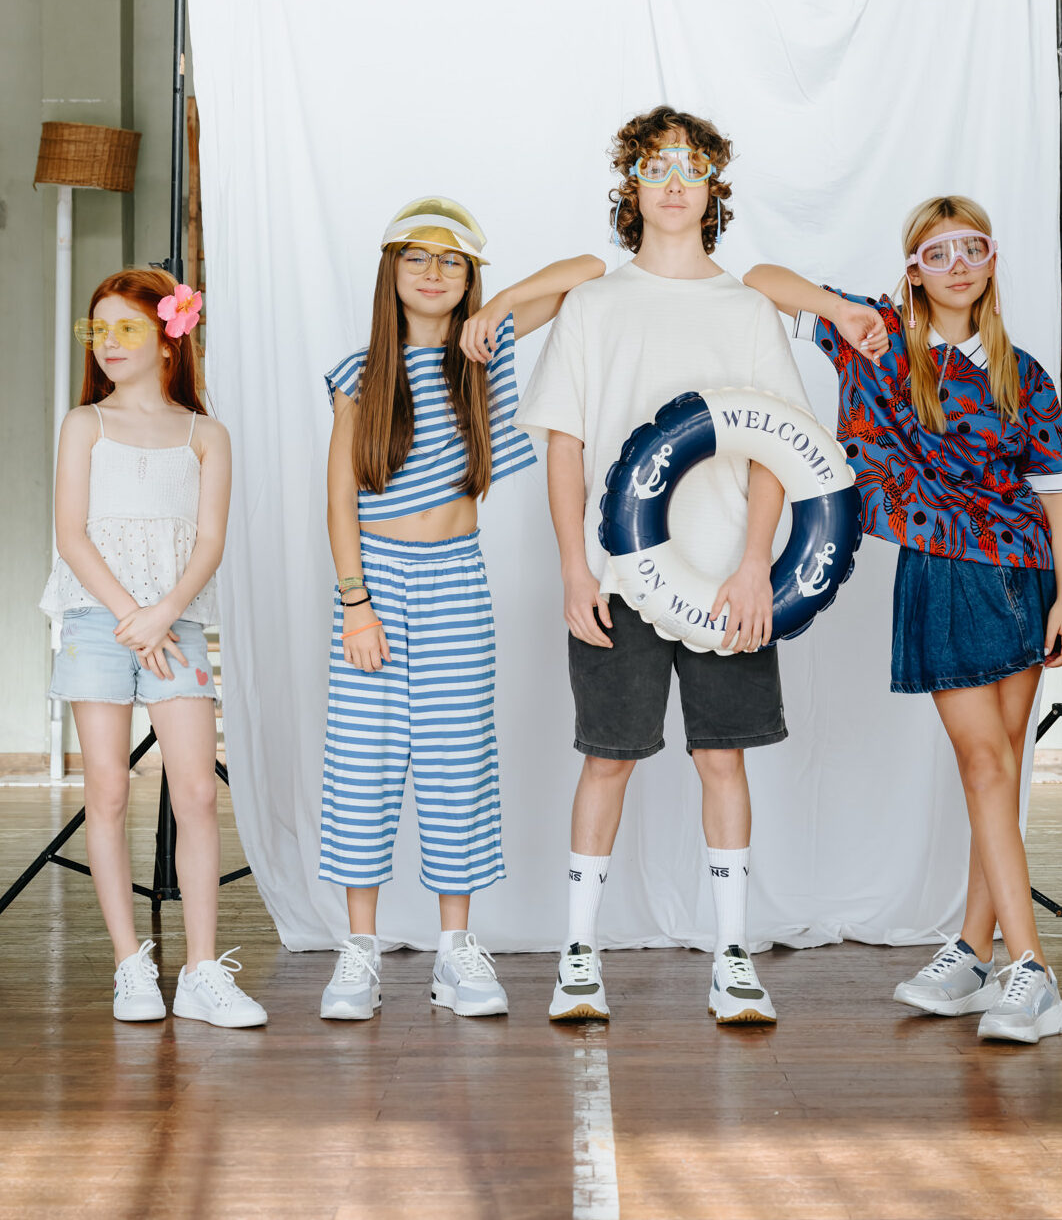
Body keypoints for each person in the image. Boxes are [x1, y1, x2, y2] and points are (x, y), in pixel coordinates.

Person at [745, 195, 1062, 1045]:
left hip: (1020, 577)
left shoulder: (1021, 370)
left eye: (972, 248)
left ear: (991, 259)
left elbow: (1054, 490)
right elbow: (758, 281)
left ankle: (1010, 964)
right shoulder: (877, 340)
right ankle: (997, 958)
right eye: (937, 253)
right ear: (912, 271)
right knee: (986, 772)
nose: (958, 264)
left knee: (993, 774)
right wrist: (838, 310)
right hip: (939, 572)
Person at [515, 106, 815, 1025]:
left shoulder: (746, 311)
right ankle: (577, 954)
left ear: (713, 187)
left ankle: (731, 955)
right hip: (620, 579)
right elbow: (563, 445)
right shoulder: (595, 307)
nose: (674, 181)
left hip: (726, 579)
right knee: (607, 759)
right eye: (655, 166)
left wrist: (756, 563)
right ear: (631, 186)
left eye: (691, 167)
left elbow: (780, 449)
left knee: (722, 758)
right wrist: (573, 565)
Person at [319, 195, 603, 1020]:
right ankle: (359, 952)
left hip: (455, 578)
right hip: (373, 576)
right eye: (418, 258)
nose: (435, 273)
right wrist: (356, 603)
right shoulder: (360, 372)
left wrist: (501, 305)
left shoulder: (486, 349)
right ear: (391, 273)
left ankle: (454, 951)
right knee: (363, 760)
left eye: (453, 262)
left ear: (470, 275)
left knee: (455, 758)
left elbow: (587, 269)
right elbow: (339, 501)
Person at [41, 269, 267, 1027]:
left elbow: (209, 539)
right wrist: (128, 612)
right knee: (106, 789)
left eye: (125, 327)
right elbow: (71, 535)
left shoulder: (207, 435)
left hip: (175, 627)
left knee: (197, 791)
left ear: (169, 339)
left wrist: (164, 611)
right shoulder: (84, 425)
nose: (107, 342)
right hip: (94, 620)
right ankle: (130, 965)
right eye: (97, 328)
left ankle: (202, 969)